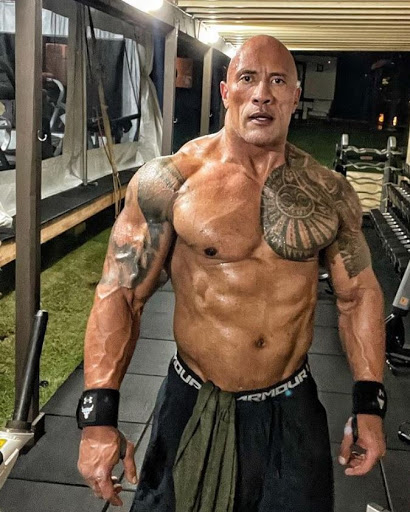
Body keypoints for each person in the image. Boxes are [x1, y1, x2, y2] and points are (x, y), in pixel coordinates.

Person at [77, 35, 387, 511]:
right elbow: (121, 292)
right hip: (194, 400)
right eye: (248, 78)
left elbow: (359, 294)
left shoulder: (329, 192)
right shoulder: (172, 180)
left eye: (277, 81)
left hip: (291, 405)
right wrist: (98, 416)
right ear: (226, 92)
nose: (262, 94)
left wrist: (370, 404)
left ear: (295, 96)